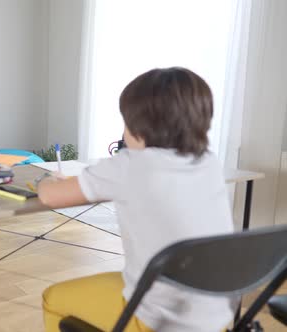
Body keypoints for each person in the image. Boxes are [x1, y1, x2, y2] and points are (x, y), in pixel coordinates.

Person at [38, 67, 234, 331]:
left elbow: (49, 197)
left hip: (155, 320)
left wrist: (47, 180)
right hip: (217, 320)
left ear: (140, 124)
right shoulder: (208, 162)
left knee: (53, 298)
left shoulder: (131, 165)